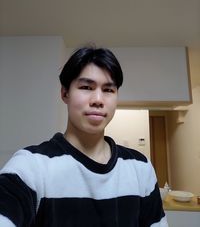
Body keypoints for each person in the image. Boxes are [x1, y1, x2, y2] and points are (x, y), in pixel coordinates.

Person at [0, 46, 168, 227]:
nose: (98, 99)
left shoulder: (140, 167)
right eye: (86, 87)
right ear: (65, 93)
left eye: (108, 90)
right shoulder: (30, 166)